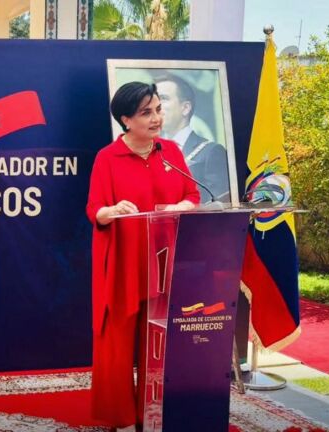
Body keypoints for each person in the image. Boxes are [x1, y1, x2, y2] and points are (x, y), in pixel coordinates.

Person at [86, 82, 200, 431]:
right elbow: (95, 210)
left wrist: (183, 206)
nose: (156, 118)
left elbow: (193, 195)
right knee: (116, 344)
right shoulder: (107, 157)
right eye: (146, 113)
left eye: (158, 110)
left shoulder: (172, 152)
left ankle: (155, 414)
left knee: (158, 342)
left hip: (163, 260)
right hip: (123, 261)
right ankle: (120, 418)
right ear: (126, 119)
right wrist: (111, 210)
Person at [155, 74, 230, 203]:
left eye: (163, 98)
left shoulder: (211, 152)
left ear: (185, 108)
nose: (156, 106)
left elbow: (221, 205)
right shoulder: (150, 153)